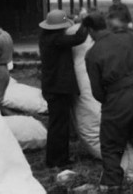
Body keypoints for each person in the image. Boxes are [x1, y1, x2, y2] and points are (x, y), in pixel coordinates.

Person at [84, 12, 133, 191]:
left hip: (116, 99)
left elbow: (97, 92)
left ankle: (113, 184)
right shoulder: (127, 39)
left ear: (91, 30)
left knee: (110, 145)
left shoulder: (92, 54)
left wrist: (110, 101)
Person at [38, 9, 88, 168]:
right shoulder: (56, 39)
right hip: (58, 88)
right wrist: (85, 21)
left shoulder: (45, 37)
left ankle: (59, 158)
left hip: (52, 87)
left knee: (58, 124)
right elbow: (79, 37)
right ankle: (56, 161)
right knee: (59, 126)